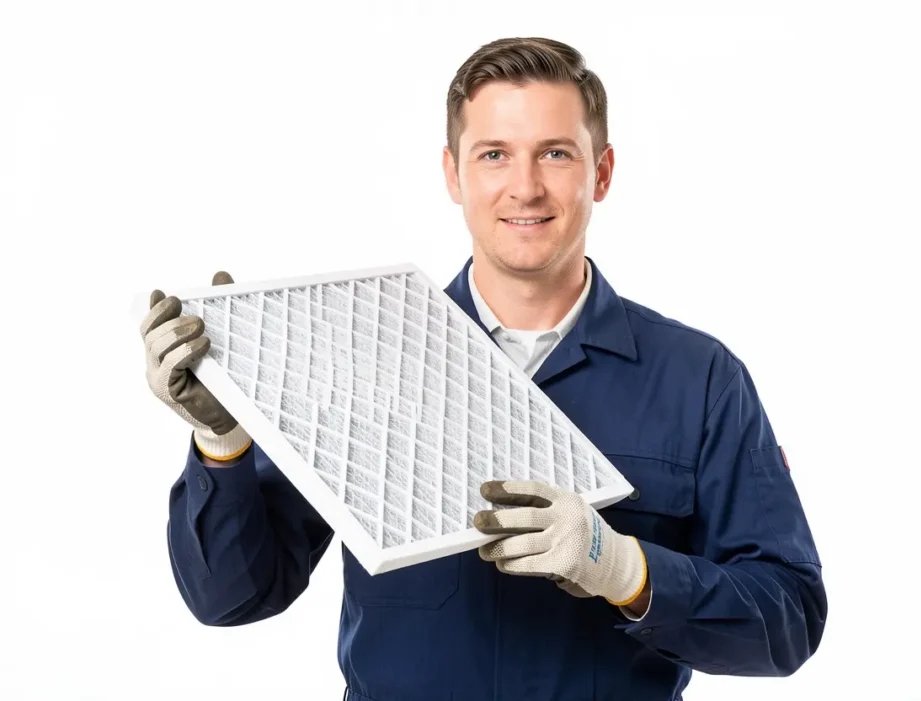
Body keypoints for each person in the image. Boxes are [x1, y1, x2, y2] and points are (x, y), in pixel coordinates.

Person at [139, 36, 827, 700]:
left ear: (603, 172)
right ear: (454, 173)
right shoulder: (358, 353)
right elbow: (230, 597)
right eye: (494, 154)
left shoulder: (699, 380)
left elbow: (788, 619)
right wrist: (226, 440)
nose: (524, 187)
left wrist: (623, 567)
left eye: (555, 153)